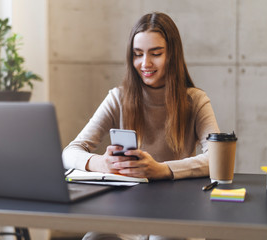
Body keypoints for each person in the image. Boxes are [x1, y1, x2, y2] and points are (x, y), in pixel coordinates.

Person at [62, 12, 220, 240]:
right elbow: (69, 152)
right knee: (94, 237)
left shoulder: (194, 100)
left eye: (156, 54)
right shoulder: (118, 98)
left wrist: (162, 170)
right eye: (137, 55)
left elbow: (217, 158)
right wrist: (103, 163)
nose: (145, 63)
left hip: (177, 213)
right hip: (126, 215)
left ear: (172, 55)